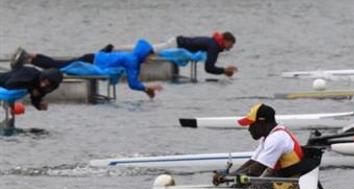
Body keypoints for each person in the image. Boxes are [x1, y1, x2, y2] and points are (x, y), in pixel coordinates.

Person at [12, 39, 163, 98]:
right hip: (91, 62)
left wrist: (146, 90)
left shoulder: (133, 59)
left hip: (92, 58)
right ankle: (27, 56)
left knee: (58, 64)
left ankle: (28, 56)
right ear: (144, 54)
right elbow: (133, 83)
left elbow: (134, 82)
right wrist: (149, 87)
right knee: (57, 66)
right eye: (150, 56)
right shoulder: (132, 61)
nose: (151, 59)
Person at [213, 103, 307, 187]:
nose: (249, 129)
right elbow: (252, 163)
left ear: (261, 122)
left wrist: (228, 177)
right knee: (241, 182)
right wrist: (229, 175)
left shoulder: (277, 138)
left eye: (251, 125)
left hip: (292, 186)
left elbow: (255, 171)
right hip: (281, 180)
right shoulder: (268, 136)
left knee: (243, 183)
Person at [133, 32, 238, 77]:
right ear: (225, 40)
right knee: (148, 51)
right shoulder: (214, 46)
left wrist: (224, 70)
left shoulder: (213, 43)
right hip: (175, 45)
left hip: (178, 43)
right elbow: (209, 68)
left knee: (152, 50)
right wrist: (224, 71)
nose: (231, 48)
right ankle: (133, 57)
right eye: (231, 44)